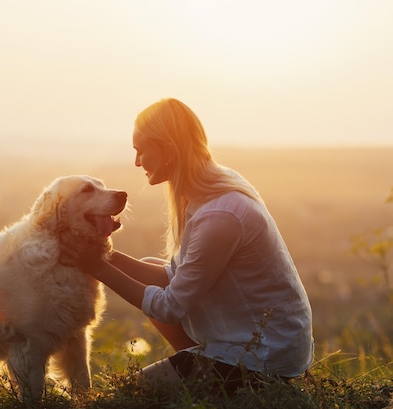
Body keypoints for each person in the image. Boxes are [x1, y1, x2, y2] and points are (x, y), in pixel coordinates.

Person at [60, 97, 313, 393]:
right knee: (155, 267)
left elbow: (170, 308)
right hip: (256, 339)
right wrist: (106, 255)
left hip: (263, 357)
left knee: (128, 395)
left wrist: (98, 267)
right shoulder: (209, 187)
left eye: (141, 151)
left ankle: (220, 380)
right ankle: (197, 367)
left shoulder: (220, 215)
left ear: (168, 150)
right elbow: (176, 278)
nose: (137, 161)